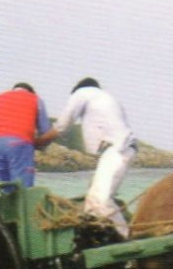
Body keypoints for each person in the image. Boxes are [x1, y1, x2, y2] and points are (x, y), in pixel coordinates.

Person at [37, 77, 137, 237]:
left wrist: (39, 142)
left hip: (117, 149)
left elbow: (63, 125)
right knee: (91, 203)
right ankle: (101, 239)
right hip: (121, 149)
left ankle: (126, 241)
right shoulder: (107, 99)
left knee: (100, 200)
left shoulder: (82, 93)